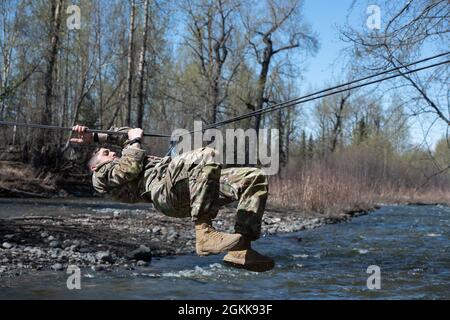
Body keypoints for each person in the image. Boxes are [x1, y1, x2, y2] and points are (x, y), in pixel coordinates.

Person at [71, 125, 274, 272]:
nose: (113, 154)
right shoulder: (100, 175)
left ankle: (241, 249)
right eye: (106, 153)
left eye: (111, 151)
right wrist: (133, 141)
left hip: (192, 188)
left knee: (254, 178)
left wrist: (95, 136)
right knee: (205, 155)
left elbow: (126, 133)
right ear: (95, 166)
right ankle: (204, 234)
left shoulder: (122, 156)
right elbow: (129, 167)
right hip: (166, 194)